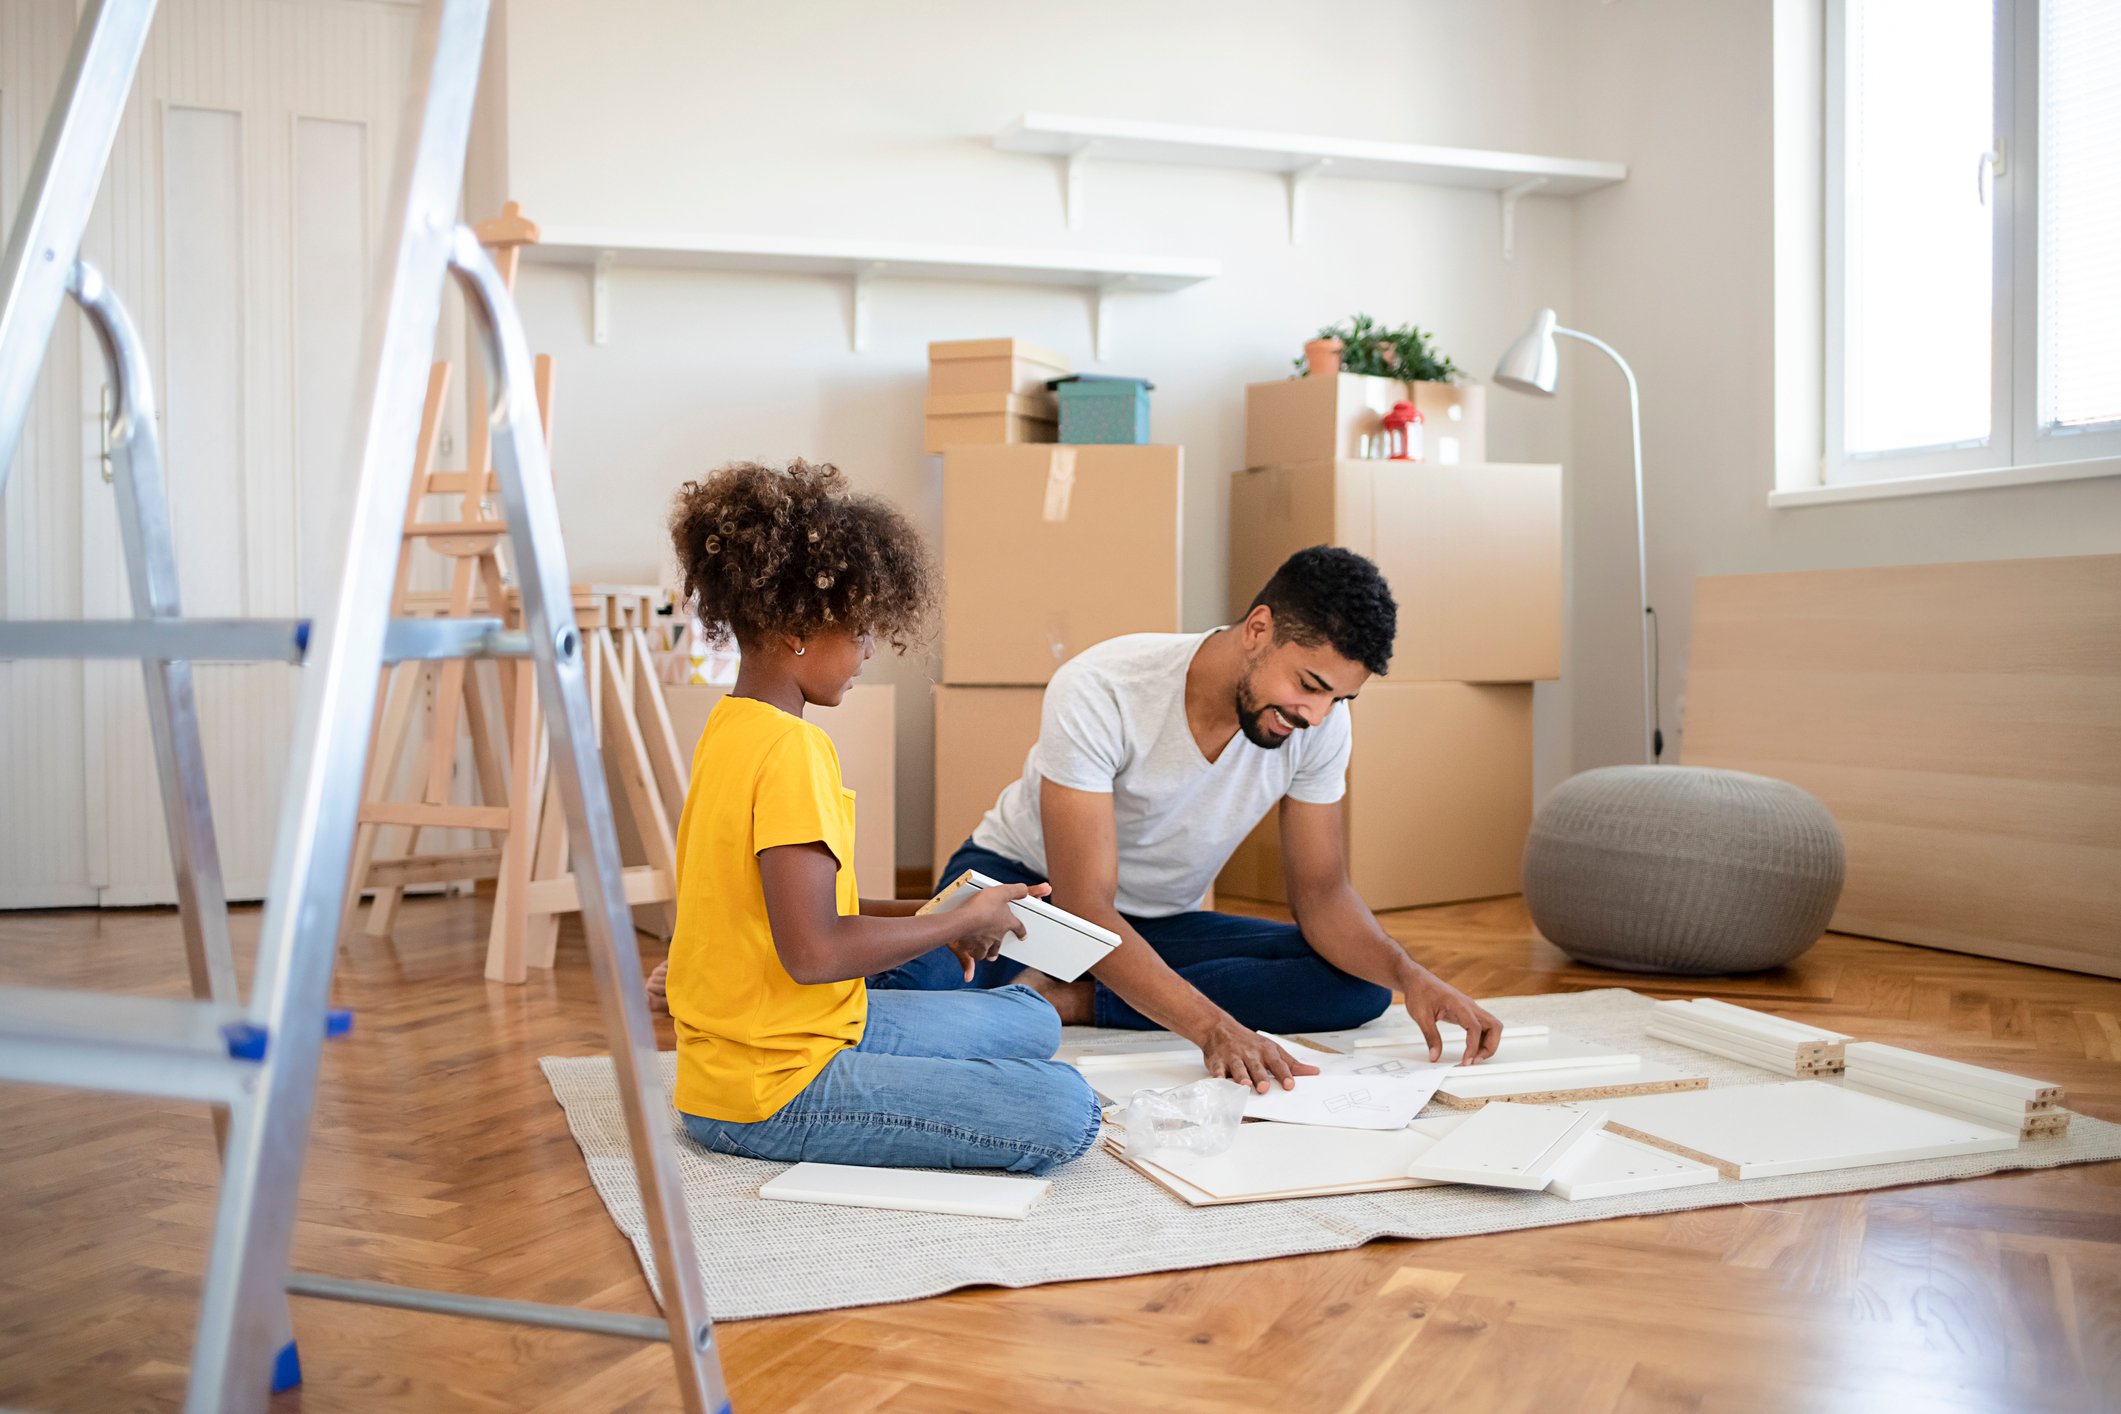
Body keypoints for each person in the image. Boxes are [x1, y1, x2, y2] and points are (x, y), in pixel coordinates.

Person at [880, 545, 1504, 1092]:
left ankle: (1070, 997)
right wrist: (1213, 1029)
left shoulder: (1321, 726)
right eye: (1309, 684)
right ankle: (1056, 980)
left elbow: (1323, 894)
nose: (1315, 715)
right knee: (909, 989)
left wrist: (1410, 975)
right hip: (1027, 893)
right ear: (1259, 629)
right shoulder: (1104, 686)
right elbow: (1086, 905)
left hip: (1157, 921)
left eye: (1338, 698)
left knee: (1360, 985)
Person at [654, 460, 1099, 1174]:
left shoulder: (733, 727)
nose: (868, 651)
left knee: (1031, 1019)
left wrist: (948, 908)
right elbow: (815, 952)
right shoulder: (792, 750)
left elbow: (785, 908)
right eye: (861, 630)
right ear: (797, 625)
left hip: (786, 1033)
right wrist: (957, 924)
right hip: (771, 1089)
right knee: (1065, 1109)